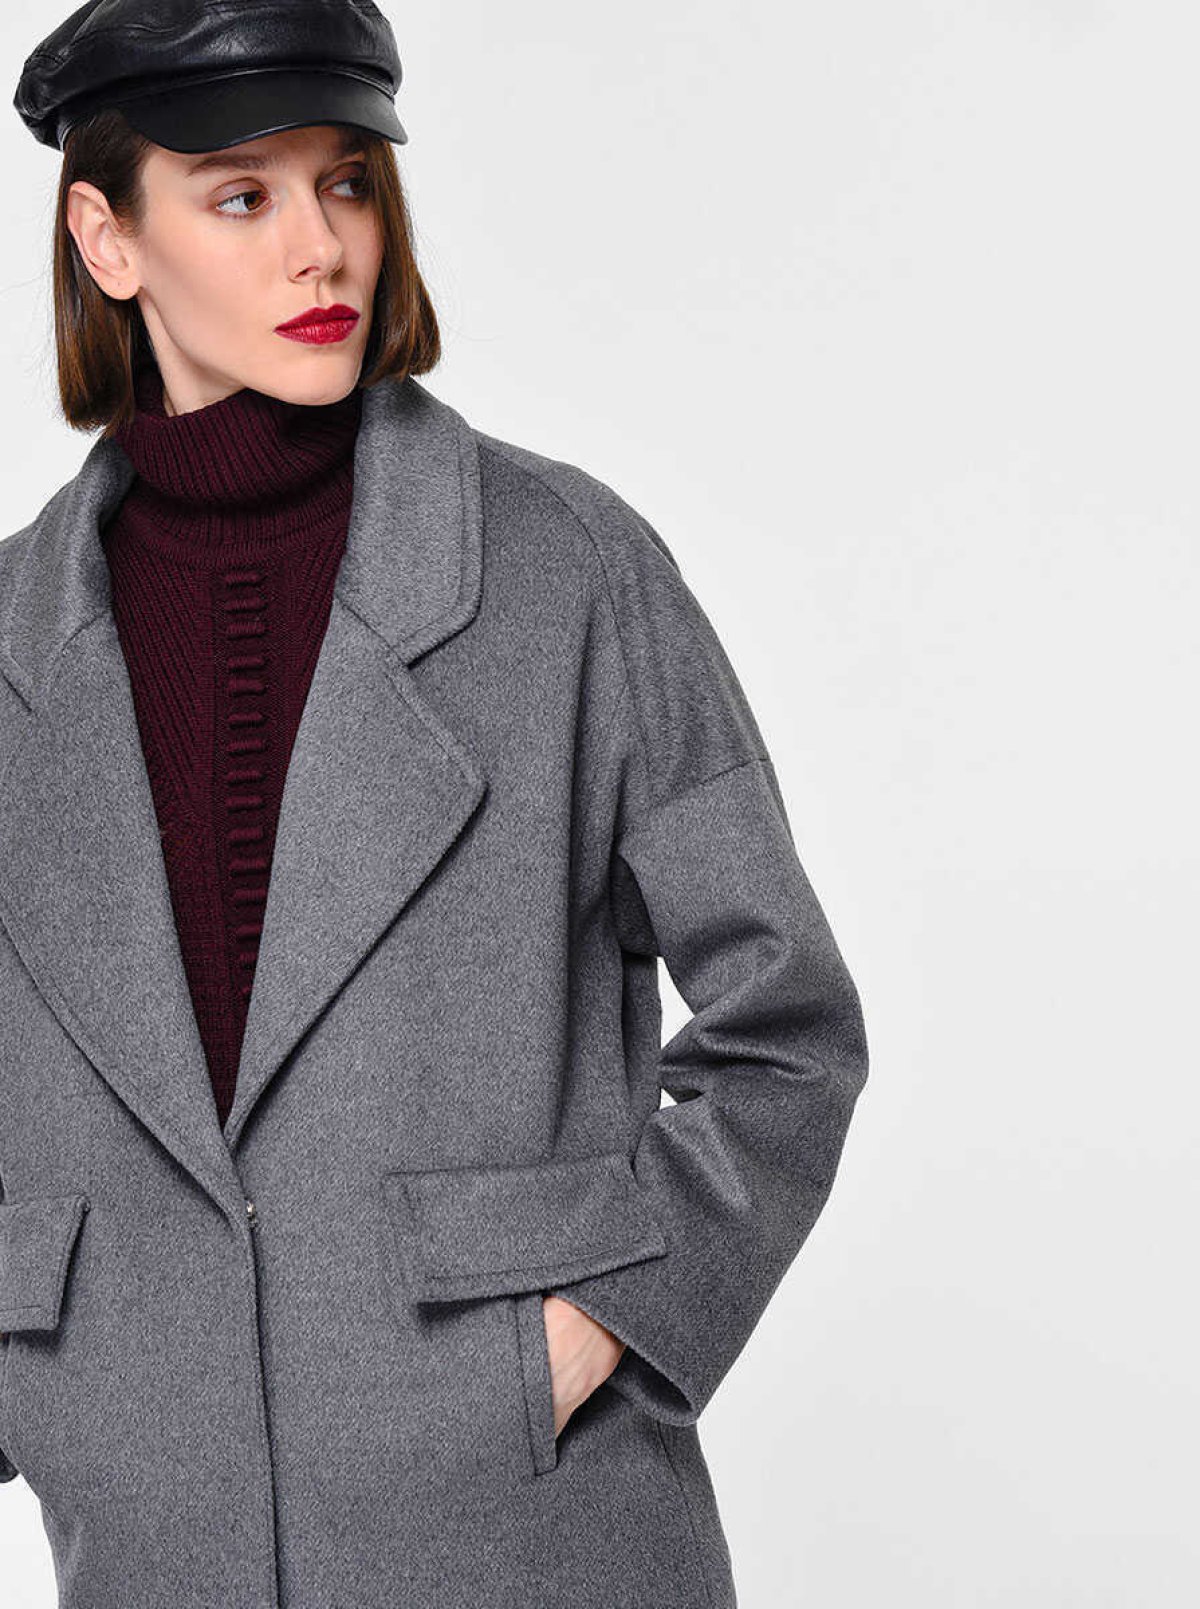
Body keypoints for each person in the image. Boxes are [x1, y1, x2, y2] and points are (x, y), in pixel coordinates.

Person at [0, 3, 870, 1606]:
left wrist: (605, 1322)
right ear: (107, 239)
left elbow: (787, 1022)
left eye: (346, 181)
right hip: (152, 1546)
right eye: (243, 195)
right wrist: (48, 1382)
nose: (321, 246)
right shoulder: (9, 645)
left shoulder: (565, 570)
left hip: (531, 1529)